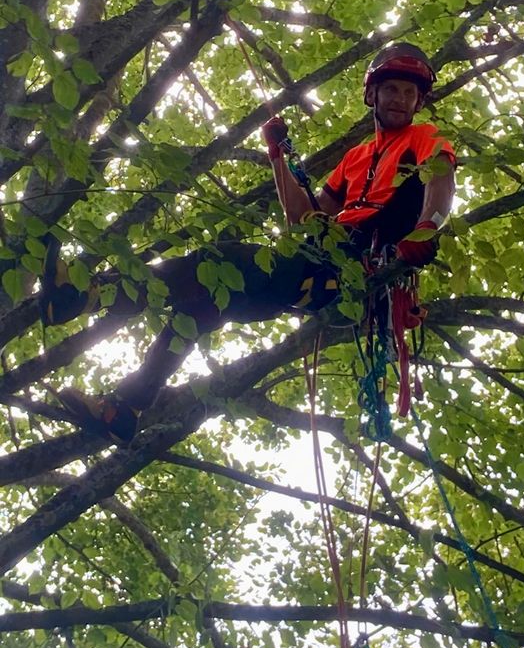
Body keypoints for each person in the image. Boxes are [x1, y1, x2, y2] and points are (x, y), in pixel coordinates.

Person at [42, 43, 456, 441]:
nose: (400, 98)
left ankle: (87, 295)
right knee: (203, 303)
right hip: (317, 261)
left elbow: (439, 188)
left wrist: (424, 233)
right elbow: (302, 218)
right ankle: (126, 409)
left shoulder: (427, 140)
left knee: (218, 262)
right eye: (391, 90)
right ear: (373, 95)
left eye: (409, 92)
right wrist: (278, 155)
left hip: (360, 269)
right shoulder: (355, 158)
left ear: (419, 101)